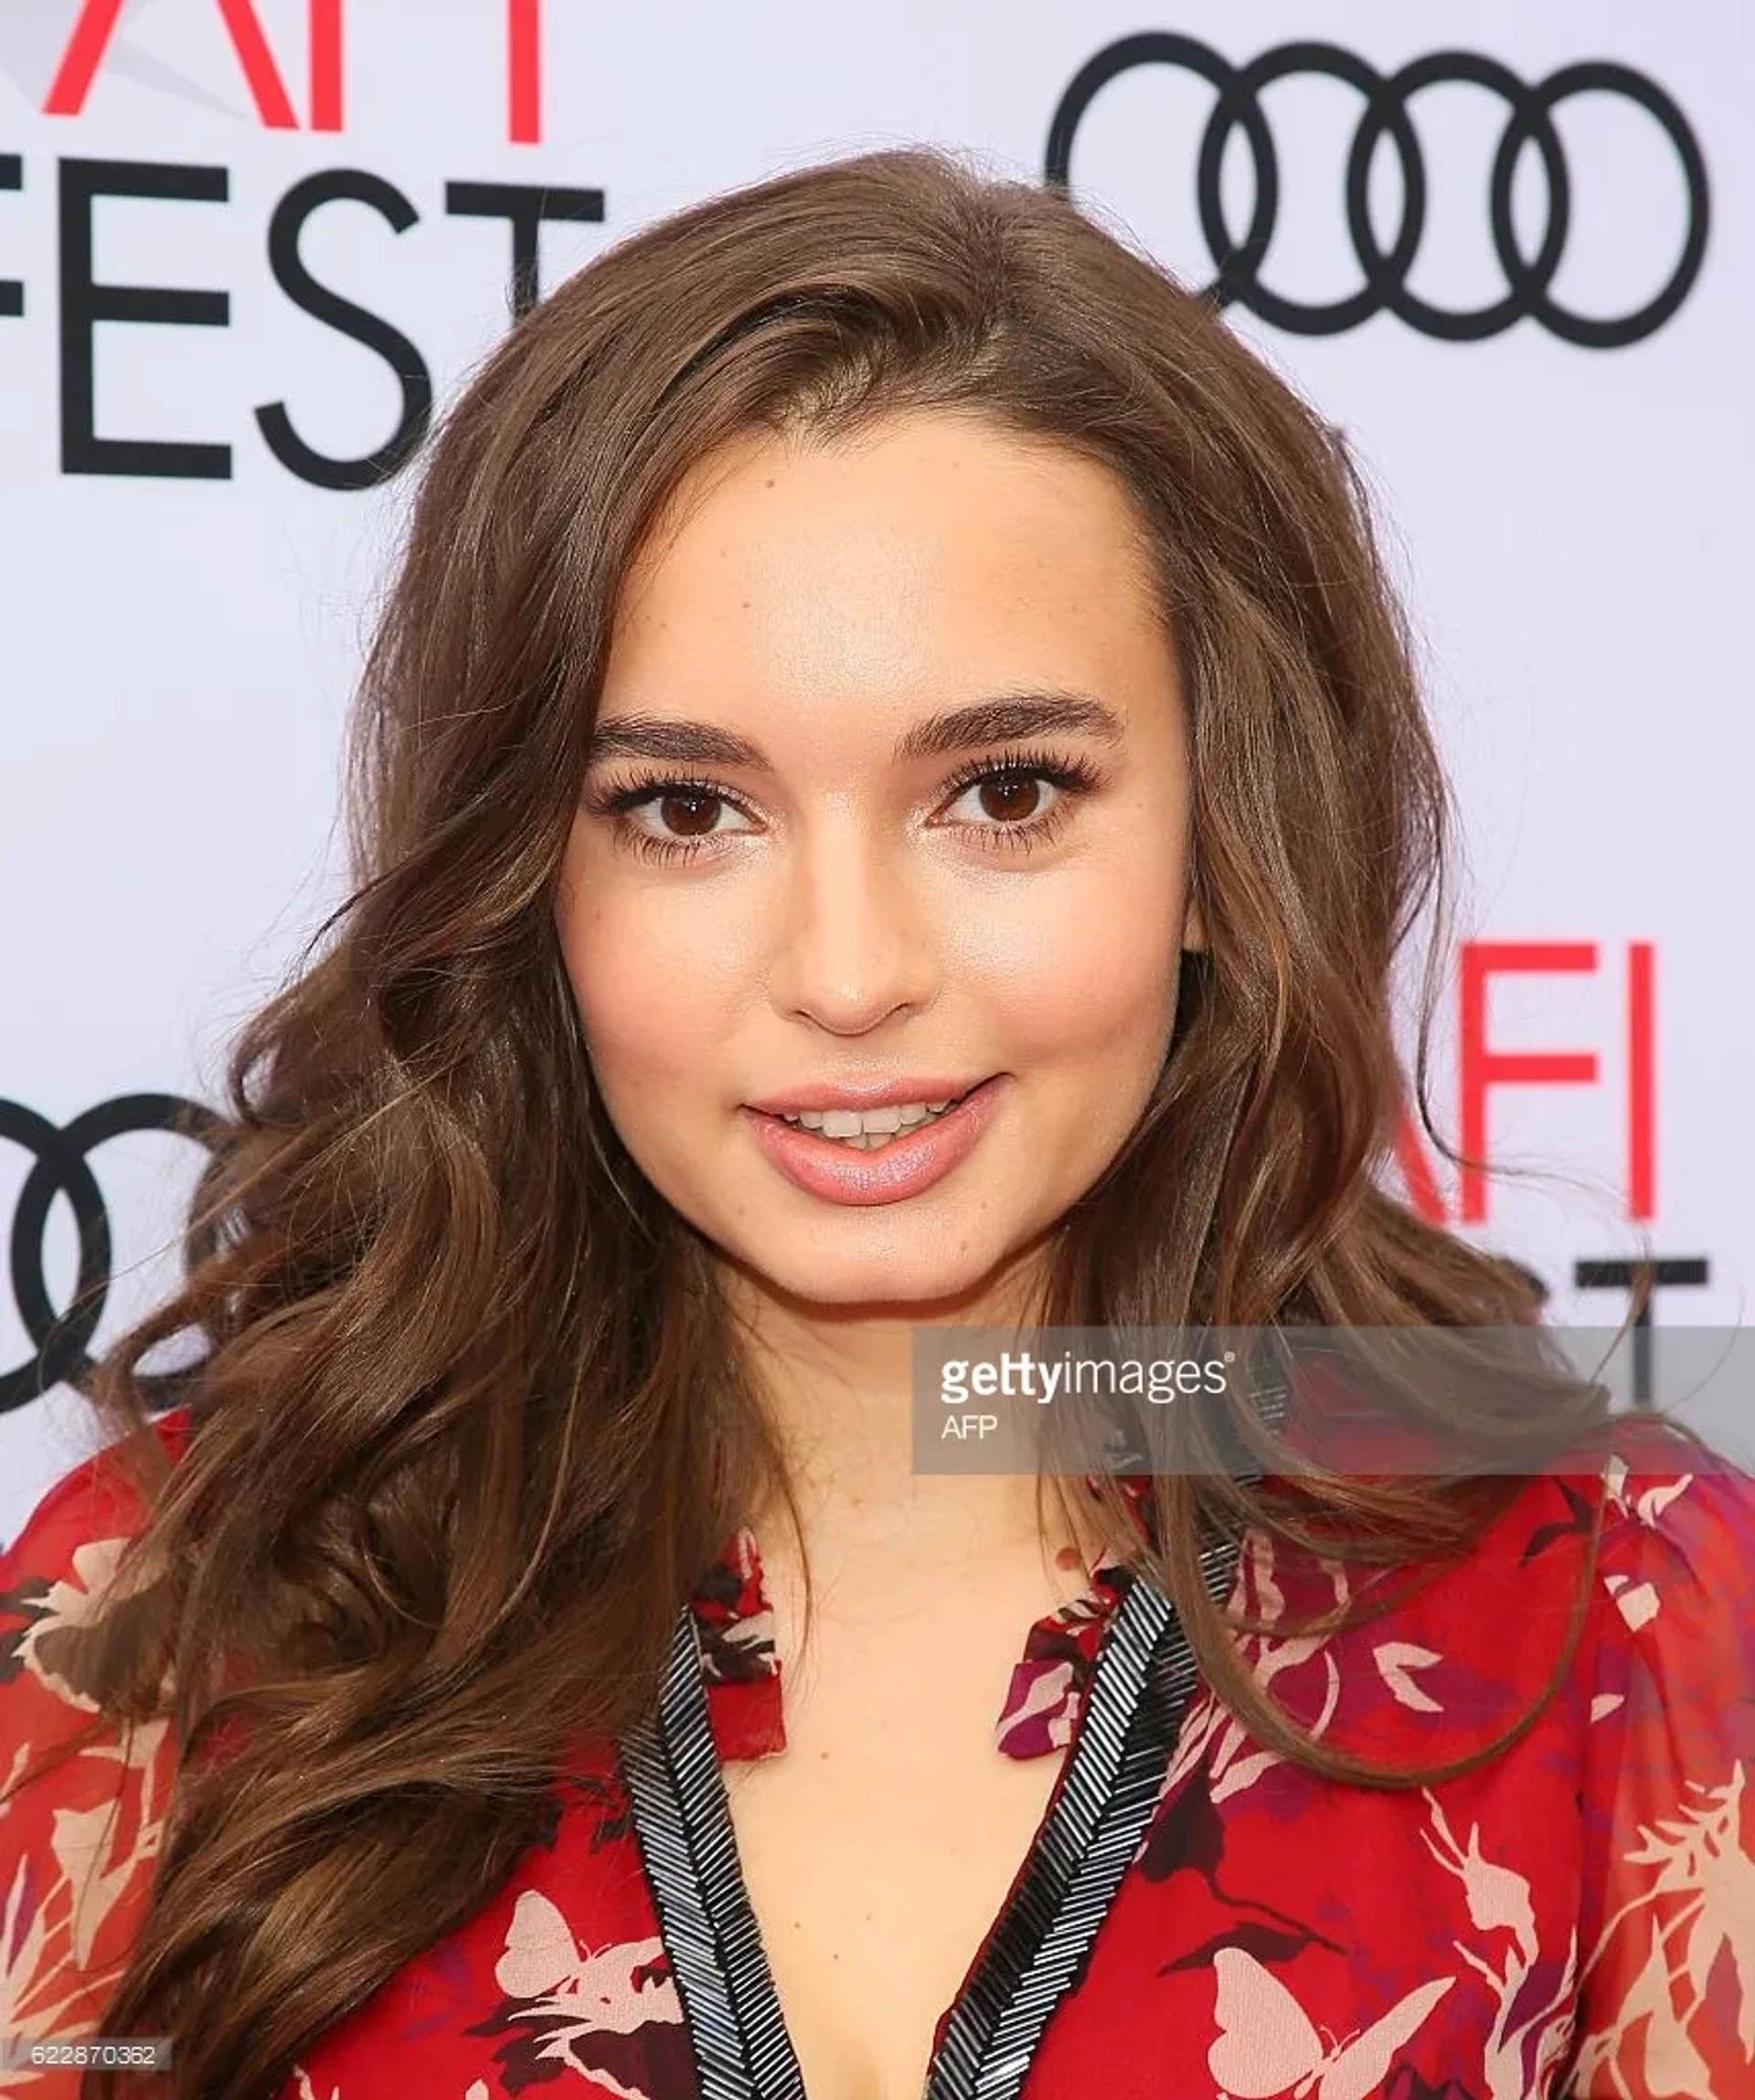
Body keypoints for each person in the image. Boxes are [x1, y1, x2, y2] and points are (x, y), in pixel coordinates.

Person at [1, 144, 1750, 2100]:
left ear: (1219, 832)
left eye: (1004, 792)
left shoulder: (1618, 1615)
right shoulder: (159, 1632)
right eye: (685, 807)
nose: (849, 970)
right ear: (528, 879)